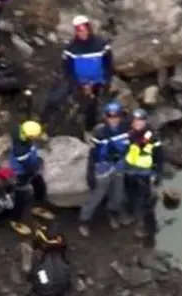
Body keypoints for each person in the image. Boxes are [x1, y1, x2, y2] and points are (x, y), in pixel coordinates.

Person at [78, 102, 130, 237]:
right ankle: (84, 221)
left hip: (118, 166)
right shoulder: (100, 132)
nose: (113, 119)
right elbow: (92, 153)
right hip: (102, 167)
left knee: (118, 194)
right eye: (110, 116)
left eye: (116, 116)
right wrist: (90, 173)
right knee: (96, 195)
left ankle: (112, 213)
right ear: (105, 117)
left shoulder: (125, 129)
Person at [61, 15, 114, 136]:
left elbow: (108, 62)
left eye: (84, 30)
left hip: (98, 82)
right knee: (76, 105)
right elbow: (66, 67)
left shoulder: (101, 44)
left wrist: (107, 78)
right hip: (79, 83)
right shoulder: (71, 48)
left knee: (97, 105)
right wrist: (74, 82)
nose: (82, 33)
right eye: (79, 31)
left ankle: (94, 128)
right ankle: (78, 128)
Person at [123, 108, 164, 239]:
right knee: (130, 195)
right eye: (135, 122)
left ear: (145, 122)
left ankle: (145, 226)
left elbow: (159, 156)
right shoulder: (127, 136)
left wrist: (158, 173)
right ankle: (130, 214)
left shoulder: (153, 137)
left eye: (140, 121)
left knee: (145, 200)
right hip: (129, 173)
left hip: (145, 174)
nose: (138, 124)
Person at [8, 120, 52, 235]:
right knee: (20, 196)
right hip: (22, 172)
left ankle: (37, 207)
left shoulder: (20, 130)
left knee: (40, 186)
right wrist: (37, 165)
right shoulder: (21, 150)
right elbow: (29, 165)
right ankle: (15, 220)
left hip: (30, 168)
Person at [28, 226, 72, 296]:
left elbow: (41, 279)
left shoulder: (40, 259)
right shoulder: (62, 257)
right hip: (61, 289)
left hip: (46, 291)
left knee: (40, 279)